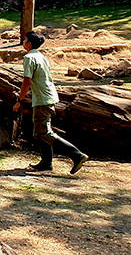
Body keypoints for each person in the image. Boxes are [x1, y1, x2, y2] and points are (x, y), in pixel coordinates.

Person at [13, 31, 89, 174]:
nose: (23, 41)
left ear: (29, 44)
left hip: (42, 99)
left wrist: (19, 100)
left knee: (44, 132)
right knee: (41, 131)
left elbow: (27, 81)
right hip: (47, 97)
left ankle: (76, 155)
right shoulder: (42, 57)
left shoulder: (29, 58)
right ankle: (46, 163)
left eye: (25, 39)